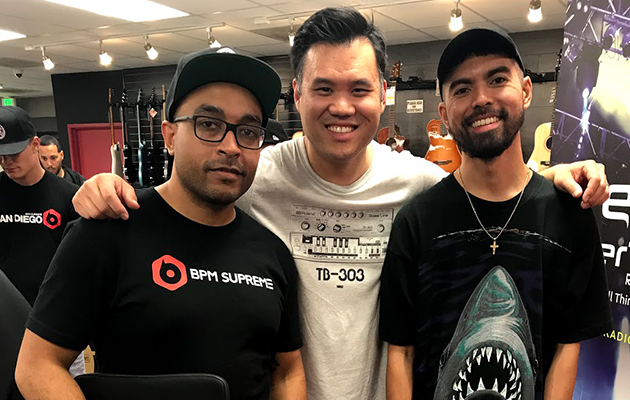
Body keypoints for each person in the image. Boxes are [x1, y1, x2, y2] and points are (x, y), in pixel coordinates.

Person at [69, 8, 610, 400]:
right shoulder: (254, 175)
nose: (342, 107)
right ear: (297, 94)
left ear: (382, 94)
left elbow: (492, 187)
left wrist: (553, 177)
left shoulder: (419, 186)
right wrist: (104, 188)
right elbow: (187, 195)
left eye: (359, 88)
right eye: (323, 89)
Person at [15, 47, 306, 400]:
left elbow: (287, 372)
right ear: (169, 136)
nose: (231, 146)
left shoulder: (273, 252)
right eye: (209, 124)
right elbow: (37, 365)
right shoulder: (107, 232)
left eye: (247, 131)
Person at [380, 28, 613, 400]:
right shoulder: (415, 222)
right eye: (462, 89)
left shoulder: (571, 217)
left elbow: (567, 348)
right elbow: (401, 352)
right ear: (444, 114)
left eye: (497, 79)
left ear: (526, 90)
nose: (481, 99)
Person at [0, 106, 86, 377]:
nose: (7, 162)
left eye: (14, 154)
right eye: (1, 156)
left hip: (56, 323)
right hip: (6, 320)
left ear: (35, 144)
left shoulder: (69, 196)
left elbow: (81, 265)